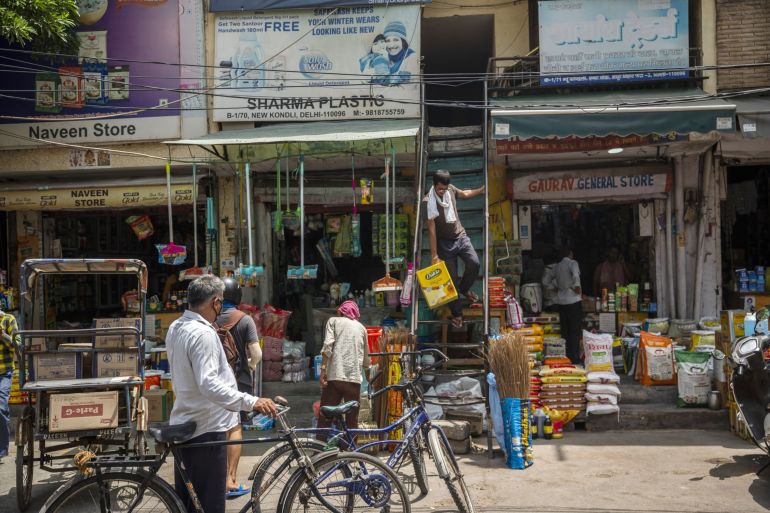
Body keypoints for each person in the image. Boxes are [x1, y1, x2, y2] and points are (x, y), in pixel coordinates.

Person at [166, 275, 276, 513]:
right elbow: (209, 384)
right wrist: (251, 401)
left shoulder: (176, 327)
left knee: (190, 504)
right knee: (209, 505)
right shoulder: (203, 334)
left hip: (186, 420)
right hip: (205, 429)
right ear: (215, 303)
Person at [216, 278, 262, 498]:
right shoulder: (245, 320)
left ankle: (215, 477)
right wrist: (250, 367)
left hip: (214, 383)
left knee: (216, 428)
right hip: (239, 382)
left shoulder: (210, 318)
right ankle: (231, 479)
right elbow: (257, 354)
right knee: (234, 427)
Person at [424, 169, 484, 328]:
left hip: (460, 237)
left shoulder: (450, 189)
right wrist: (434, 255)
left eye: (444, 188)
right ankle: (457, 314)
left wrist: (481, 190)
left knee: (474, 263)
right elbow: (431, 230)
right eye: (439, 189)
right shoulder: (428, 201)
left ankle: (465, 288)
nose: (442, 191)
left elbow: (464, 194)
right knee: (449, 283)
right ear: (434, 185)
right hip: (444, 244)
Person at [318, 300, 370, 436]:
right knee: (352, 422)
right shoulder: (362, 328)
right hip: (353, 380)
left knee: (325, 418)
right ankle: (351, 454)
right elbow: (366, 359)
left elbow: (327, 346)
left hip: (334, 377)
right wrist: (369, 377)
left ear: (341, 311)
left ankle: (318, 452)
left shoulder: (333, 321)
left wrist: (323, 369)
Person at [553, 247, 583, 364]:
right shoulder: (573, 263)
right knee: (574, 331)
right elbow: (576, 276)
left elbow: (551, 281)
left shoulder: (557, 266)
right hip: (573, 301)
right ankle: (574, 357)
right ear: (571, 254)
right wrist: (577, 287)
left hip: (561, 302)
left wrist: (559, 288)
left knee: (565, 331)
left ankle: (565, 355)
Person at [0, 308, 19, 464]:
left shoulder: (8, 319)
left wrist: (3, 335)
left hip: (4, 372)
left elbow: (17, 345)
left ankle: (2, 449)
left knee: (1, 407)